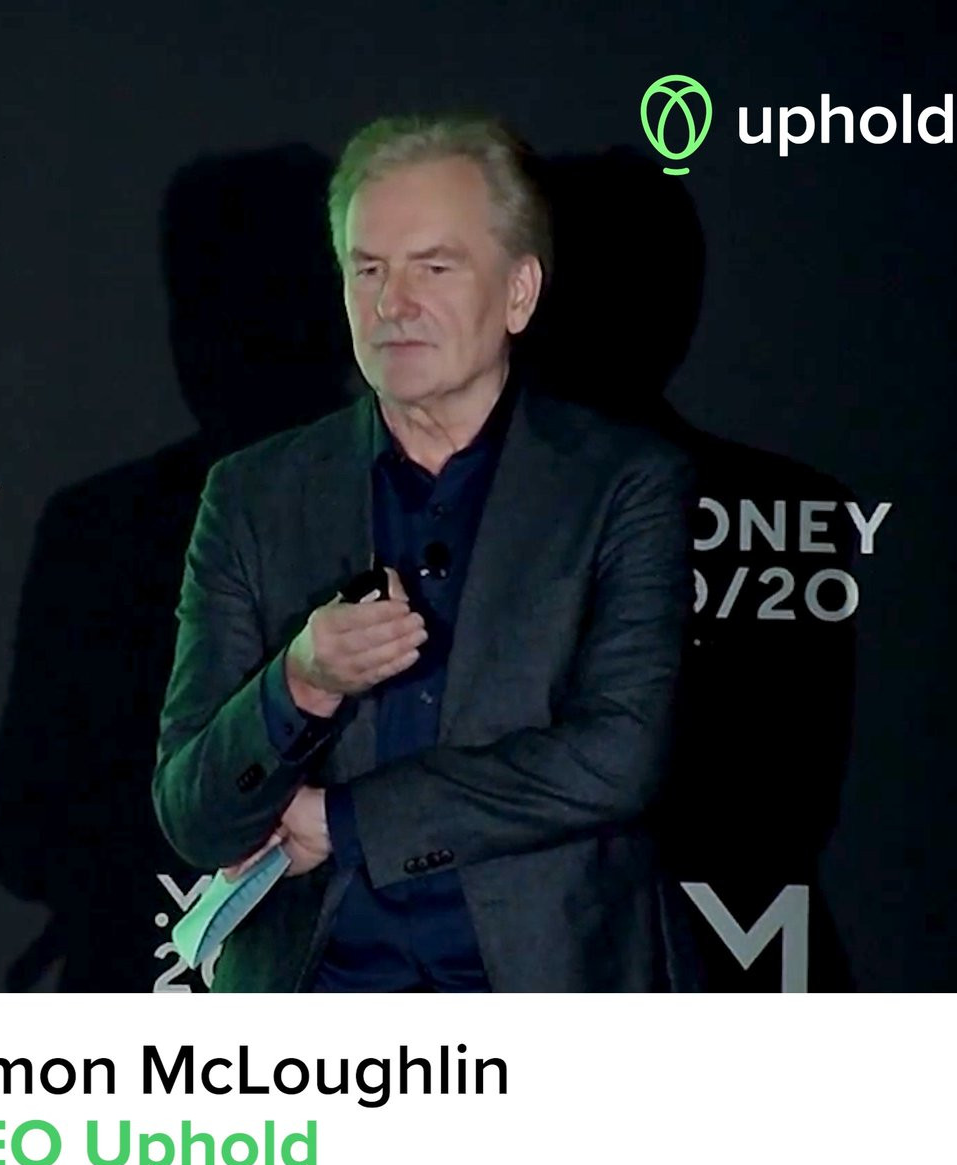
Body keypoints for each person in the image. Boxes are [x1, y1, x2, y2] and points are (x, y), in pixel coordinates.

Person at [152, 114, 703, 991]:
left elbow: (617, 758)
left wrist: (348, 821)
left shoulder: (620, 486)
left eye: (434, 268)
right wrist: (300, 683)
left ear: (519, 292)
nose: (392, 304)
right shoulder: (254, 496)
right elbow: (195, 816)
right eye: (367, 269)